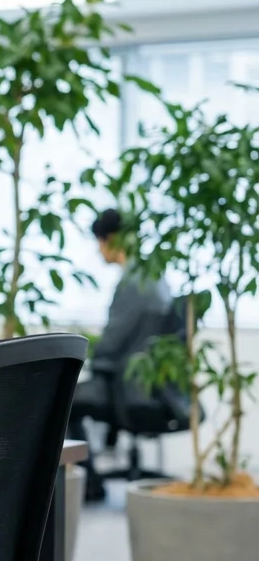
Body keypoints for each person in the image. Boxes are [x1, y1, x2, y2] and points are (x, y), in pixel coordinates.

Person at [68, 208, 177, 501]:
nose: (99, 250)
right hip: (151, 388)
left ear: (111, 239)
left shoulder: (133, 282)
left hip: (130, 388)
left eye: (99, 242)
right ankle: (91, 473)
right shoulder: (154, 275)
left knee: (64, 399)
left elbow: (112, 345)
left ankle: (87, 483)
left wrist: (88, 355)